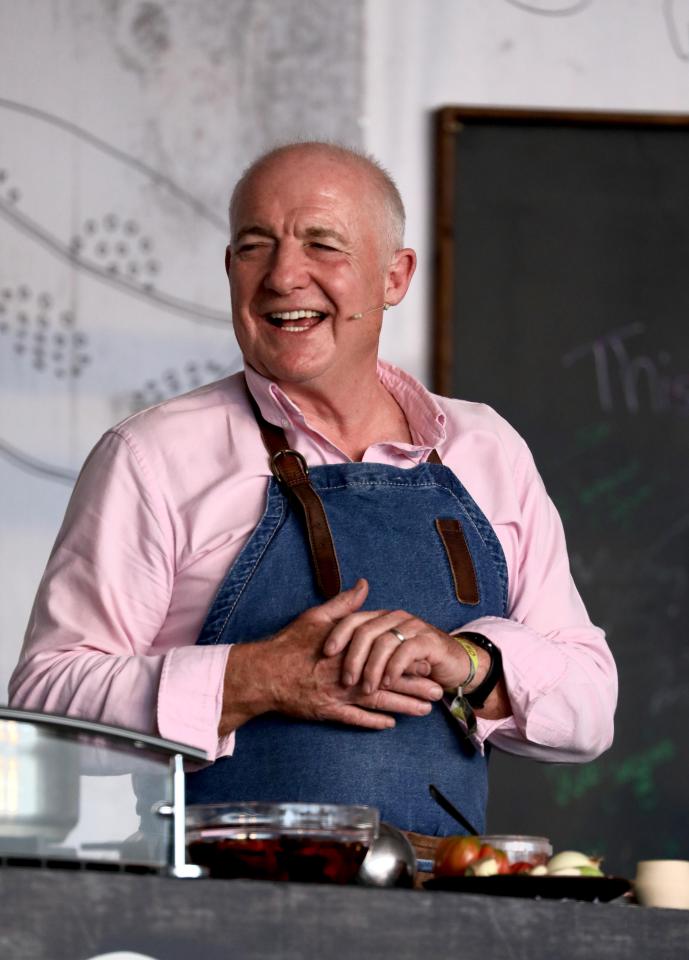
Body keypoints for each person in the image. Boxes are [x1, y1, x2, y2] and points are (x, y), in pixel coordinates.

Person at [10, 142, 617, 840]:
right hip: (216, 915)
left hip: (444, 918)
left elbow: (589, 708)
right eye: (253, 247)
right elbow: (44, 704)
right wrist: (254, 679)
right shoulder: (154, 456)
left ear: (394, 276)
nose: (282, 276)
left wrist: (471, 662)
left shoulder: (486, 450)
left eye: (322, 245)